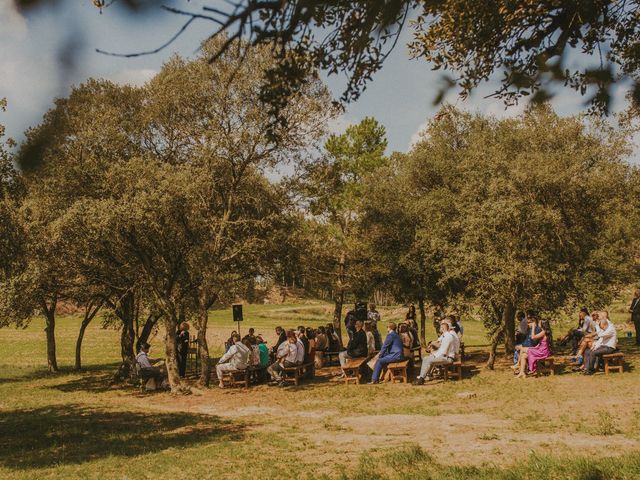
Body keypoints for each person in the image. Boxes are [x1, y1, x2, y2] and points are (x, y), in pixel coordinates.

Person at [413, 320, 458, 384]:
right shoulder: (445, 335)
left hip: (448, 358)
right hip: (444, 356)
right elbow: (440, 346)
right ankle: (422, 377)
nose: (439, 328)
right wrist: (434, 354)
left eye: (440, 327)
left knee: (429, 360)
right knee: (425, 358)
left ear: (443, 328)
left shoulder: (448, 337)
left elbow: (444, 352)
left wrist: (434, 355)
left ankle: (421, 379)